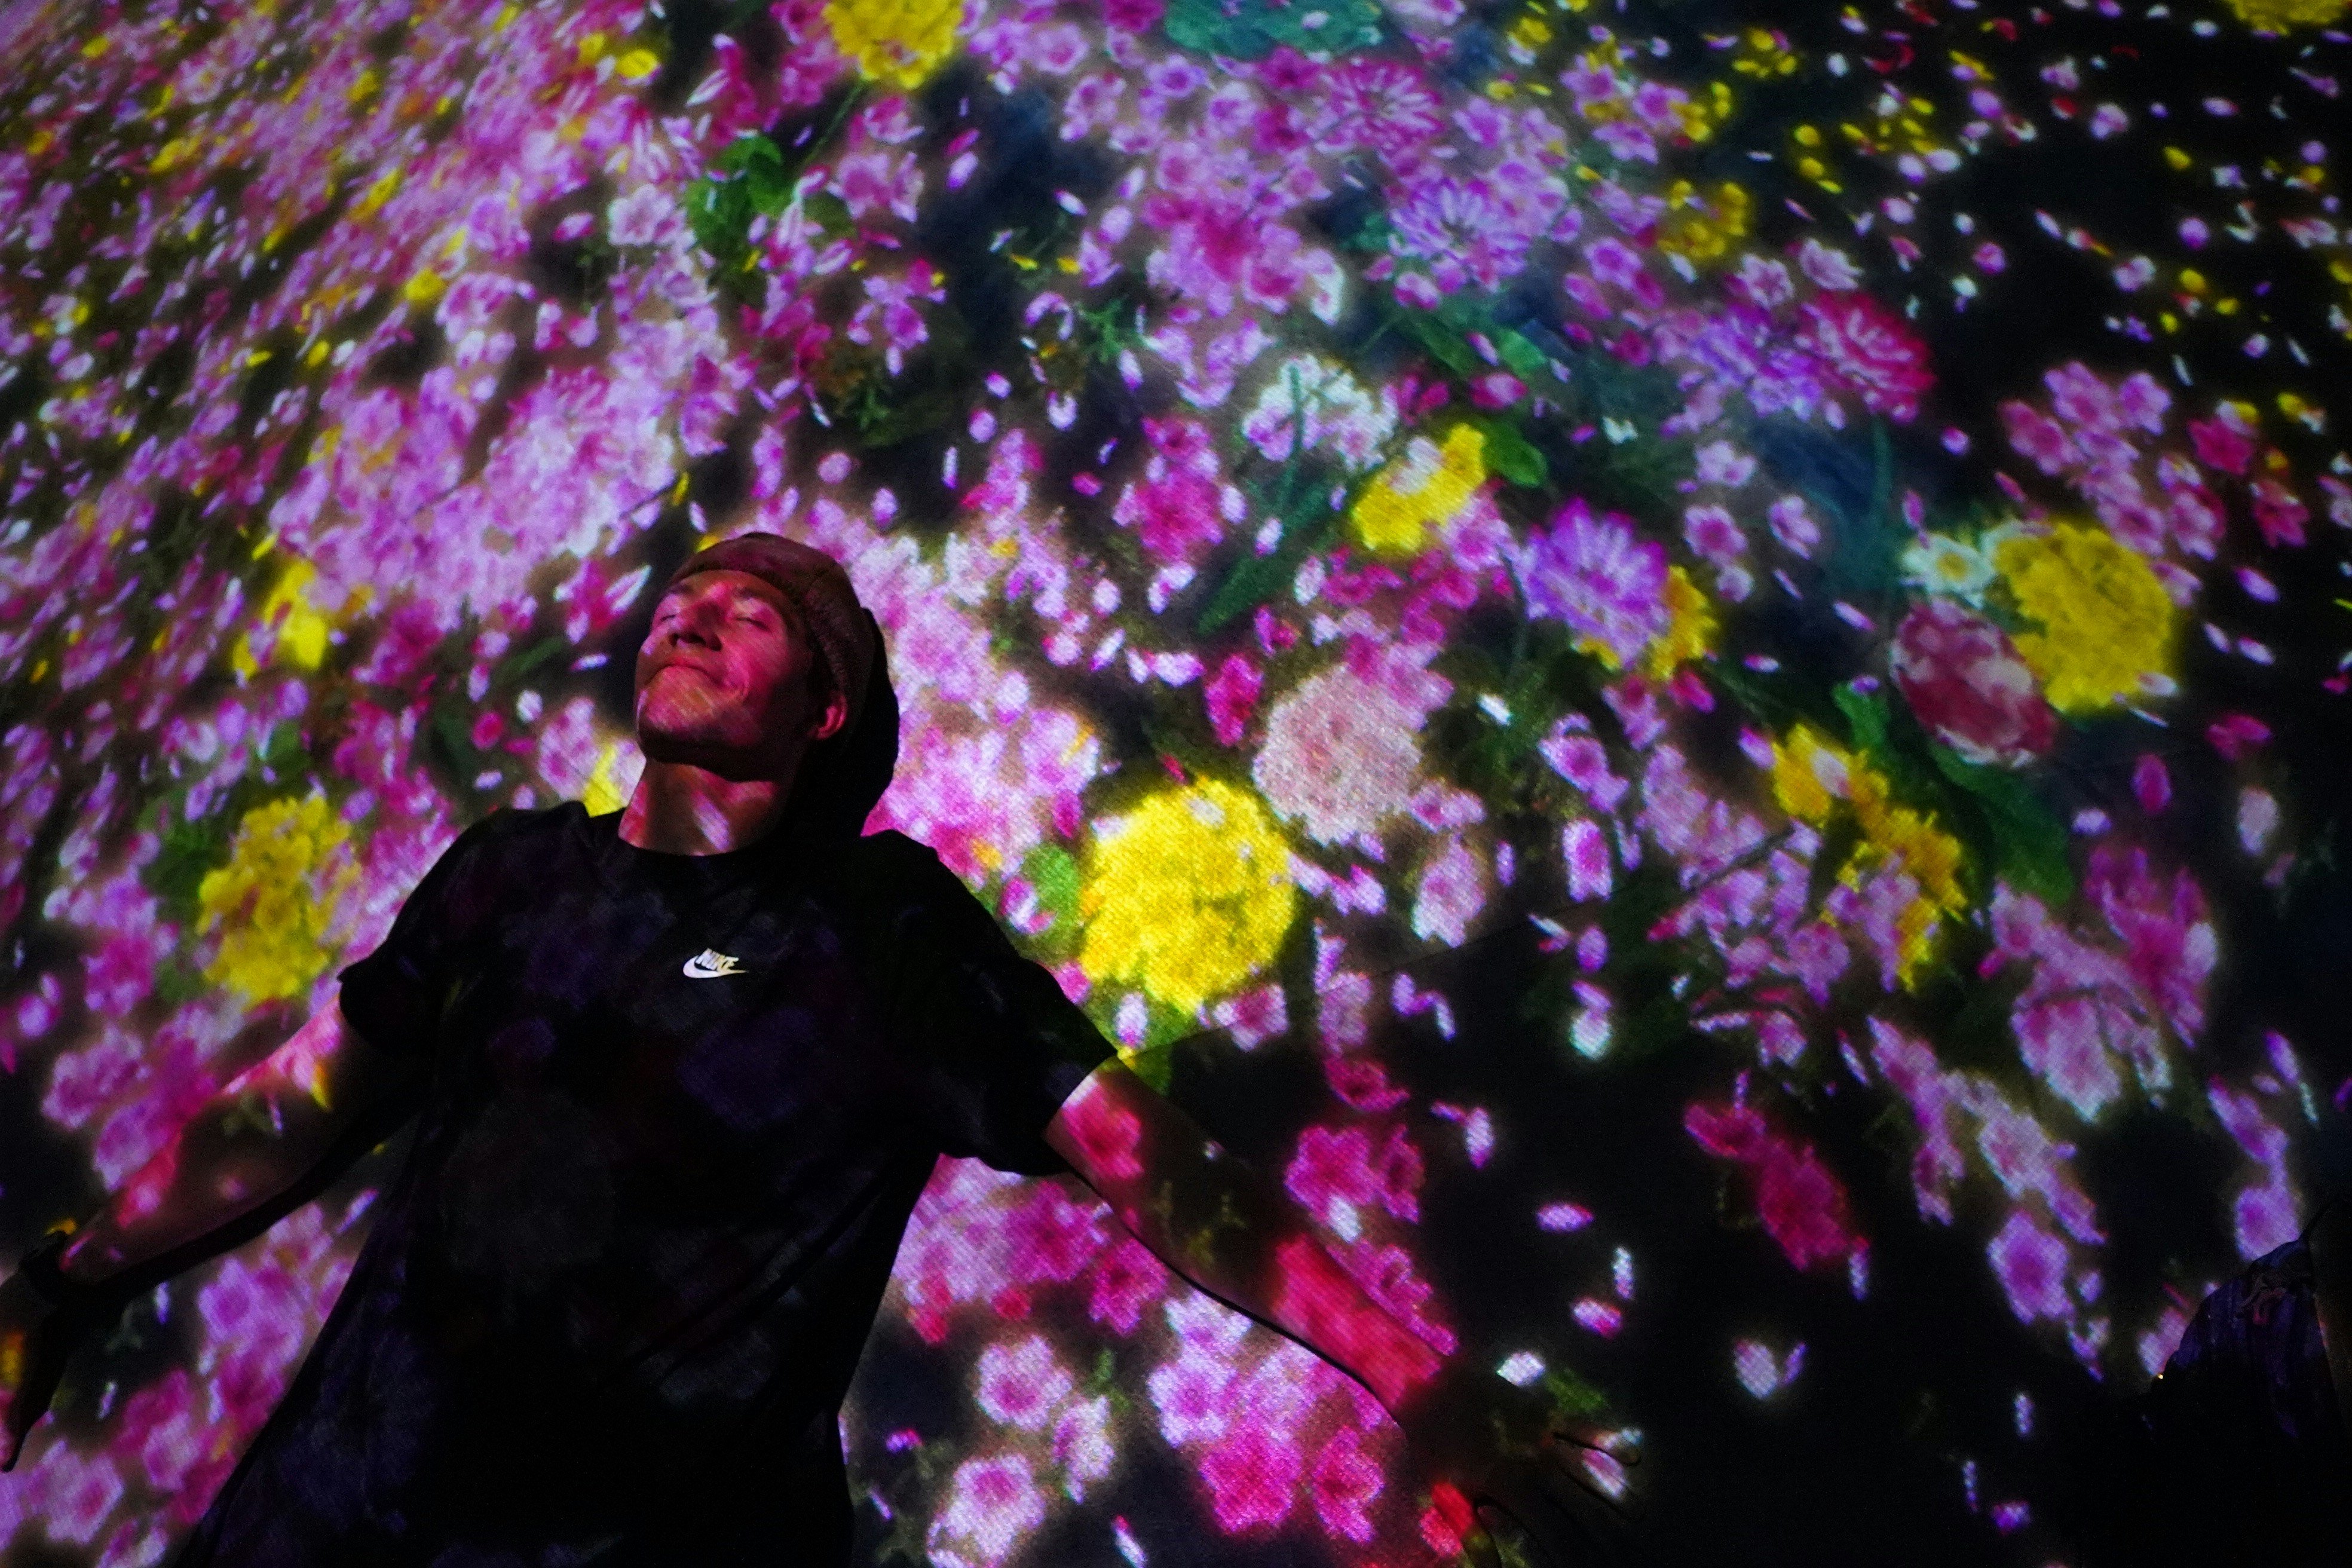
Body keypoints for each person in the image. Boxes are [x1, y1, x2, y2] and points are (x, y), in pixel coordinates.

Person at [0, 533, 1631, 1567]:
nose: (690, 616)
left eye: (752, 612)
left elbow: (1146, 1162)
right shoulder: (512, 874)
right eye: (680, 601)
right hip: (329, 1520)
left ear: (825, 709)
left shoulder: (879, 928)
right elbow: (295, 1108)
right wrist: (59, 1285)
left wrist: (1409, 1371)